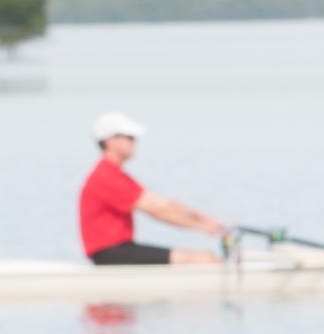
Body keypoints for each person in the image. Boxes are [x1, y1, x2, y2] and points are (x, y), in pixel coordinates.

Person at [79, 113, 229, 265]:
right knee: (201, 259)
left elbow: (166, 204)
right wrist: (203, 226)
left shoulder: (115, 174)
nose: (135, 142)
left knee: (203, 257)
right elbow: (160, 210)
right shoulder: (106, 176)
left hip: (118, 250)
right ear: (110, 141)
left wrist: (206, 219)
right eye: (130, 137)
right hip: (110, 254)